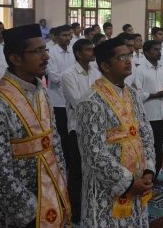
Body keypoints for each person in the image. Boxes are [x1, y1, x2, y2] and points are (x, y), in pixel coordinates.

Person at [0, 24, 70, 226]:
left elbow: (54, 141)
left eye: (45, 49)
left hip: (50, 190)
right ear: (15, 58)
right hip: (17, 208)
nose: (46, 57)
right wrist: (29, 211)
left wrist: (60, 182)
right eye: (37, 51)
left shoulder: (41, 91)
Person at [75, 38, 155, 227]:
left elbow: (145, 133)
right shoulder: (91, 101)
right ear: (105, 65)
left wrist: (148, 170)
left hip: (138, 179)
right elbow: (93, 152)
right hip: (108, 187)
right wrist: (127, 183)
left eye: (128, 55)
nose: (128, 61)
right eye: (121, 57)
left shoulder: (133, 94)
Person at [61, 38, 101, 225]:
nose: (92, 52)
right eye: (88, 49)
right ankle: (76, 211)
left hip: (97, 127)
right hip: (78, 128)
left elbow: (102, 95)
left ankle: (92, 205)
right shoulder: (68, 74)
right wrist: (97, 106)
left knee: (94, 169)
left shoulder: (96, 71)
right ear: (78, 53)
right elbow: (77, 102)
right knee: (77, 171)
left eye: (93, 49)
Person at [134, 40, 163, 180]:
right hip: (147, 115)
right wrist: (155, 95)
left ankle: (155, 175)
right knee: (147, 148)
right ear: (147, 52)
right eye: (155, 49)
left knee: (159, 147)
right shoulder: (140, 69)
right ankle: (146, 175)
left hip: (161, 113)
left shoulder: (161, 67)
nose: (159, 52)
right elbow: (138, 93)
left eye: (159, 49)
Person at [47, 25, 75, 166]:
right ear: (56, 37)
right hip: (58, 100)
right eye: (64, 35)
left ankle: (71, 161)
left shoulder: (72, 52)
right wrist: (71, 78)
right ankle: (62, 162)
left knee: (72, 132)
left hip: (72, 99)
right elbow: (54, 77)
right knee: (61, 133)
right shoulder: (51, 52)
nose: (67, 38)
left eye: (68, 35)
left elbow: (76, 73)